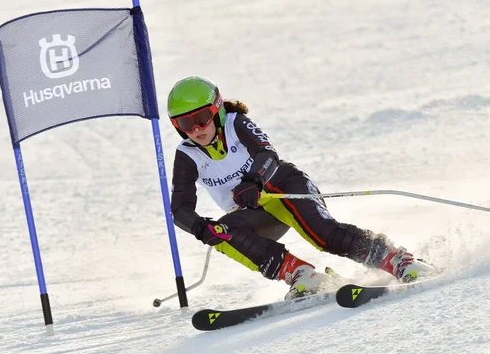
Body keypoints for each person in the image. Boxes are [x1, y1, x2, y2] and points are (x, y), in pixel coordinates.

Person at [168, 76, 435, 299]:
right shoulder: (188, 155)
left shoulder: (236, 123)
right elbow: (179, 208)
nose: (196, 129)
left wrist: (253, 180)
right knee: (221, 234)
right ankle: (302, 275)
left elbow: (267, 154)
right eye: (184, 123)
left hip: (283, 188)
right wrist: (200, 228)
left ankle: (399, 260)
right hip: (257, 213)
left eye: (202, 117)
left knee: (322, 234)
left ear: (216, 110)